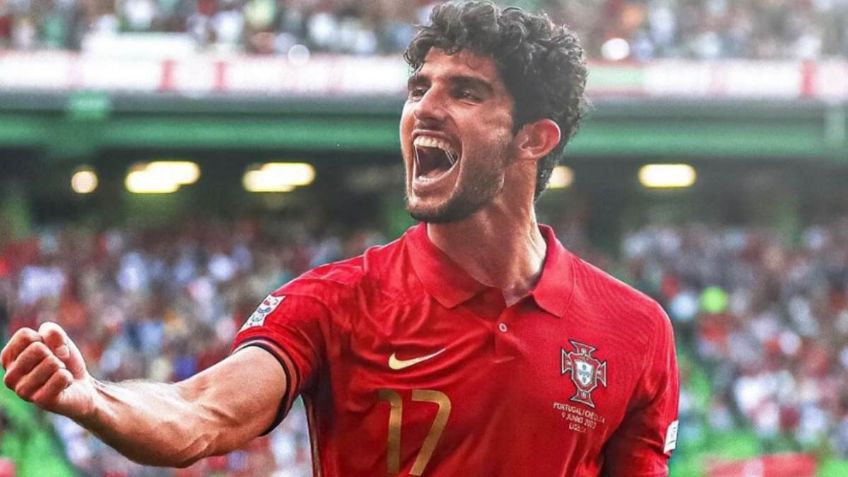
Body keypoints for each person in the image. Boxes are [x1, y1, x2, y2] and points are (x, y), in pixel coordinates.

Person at [0, 1, 679, 475]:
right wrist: (93, 397)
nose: (425, 108)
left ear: (534, 138)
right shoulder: (334, 303)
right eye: (419, 88)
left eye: (465, 92)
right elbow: (201, 412)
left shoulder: (636, 330)